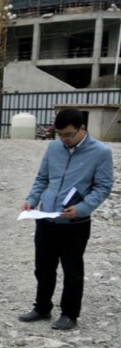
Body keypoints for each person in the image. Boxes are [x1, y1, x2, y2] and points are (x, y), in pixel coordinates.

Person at [18, 108, 113, 330]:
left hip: (74, 223)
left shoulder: (101, 152)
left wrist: (82, 208)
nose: (64, 139)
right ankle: (42, 307)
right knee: (43, 268)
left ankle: (69, 314)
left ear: (82, 128)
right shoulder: (54, 148)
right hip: (46, 219)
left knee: (72, 270)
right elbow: (42, 178)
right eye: (60, 135)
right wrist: (32, 200)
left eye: (69, 135)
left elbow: (103, 187)